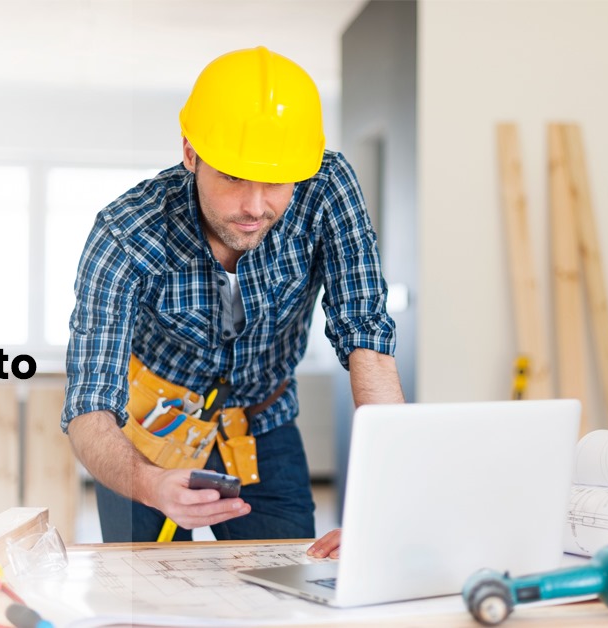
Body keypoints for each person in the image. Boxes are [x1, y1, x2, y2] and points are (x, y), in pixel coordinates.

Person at [61, 46, 404, 557]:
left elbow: (366, 336)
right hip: (150, 430)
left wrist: (388, 504)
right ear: (190, 153)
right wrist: (152, 484)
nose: (254, 206)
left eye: (275, 182)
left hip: (263, 420)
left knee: (291, 584)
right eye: (232, 177)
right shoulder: (126, 233)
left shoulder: (327, 186)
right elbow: (89, 407)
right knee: (142, 592)